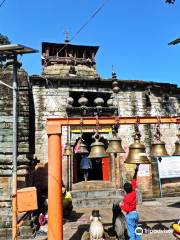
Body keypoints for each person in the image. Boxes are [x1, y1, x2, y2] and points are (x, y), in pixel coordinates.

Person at [120, 165, 141, 240]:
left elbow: (126, 209)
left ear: (125, 190)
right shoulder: (134, 192)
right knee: (137, 231)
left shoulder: (126, 197)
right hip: (136, 214)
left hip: (130, 215)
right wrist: (136, 171)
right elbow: (134, 180)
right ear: (131, 188)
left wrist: (121, 206)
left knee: (131, 234)